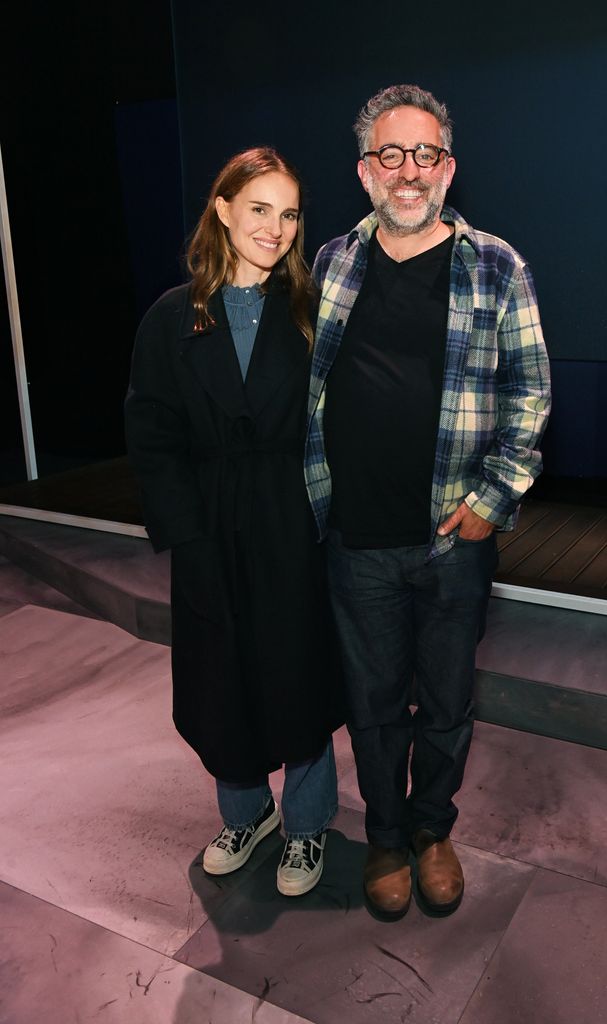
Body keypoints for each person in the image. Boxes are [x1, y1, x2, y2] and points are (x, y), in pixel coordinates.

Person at [304, 85, 551, 919]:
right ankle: (383, 837)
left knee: (446, 701)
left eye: (424, 155)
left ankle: (432, 830)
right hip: (356, 539)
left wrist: (495, 497)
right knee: (372, 708)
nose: (407, 172)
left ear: (448, 166)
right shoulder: (331, 263)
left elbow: (531, 394)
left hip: (455, 539)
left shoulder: (497, 265)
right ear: (364, 170)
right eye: (389, 154)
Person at [125, 147, 342, 897]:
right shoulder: (170, 316)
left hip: (290, 519)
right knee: (220, 677)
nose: (275, 228)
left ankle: (308, 827)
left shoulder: (311, 311)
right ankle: (245, 813)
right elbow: (150, 433)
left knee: (300, 673)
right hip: (209, 524)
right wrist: (187, 534)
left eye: (288, 215)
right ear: (222, 209)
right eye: (259, 209)